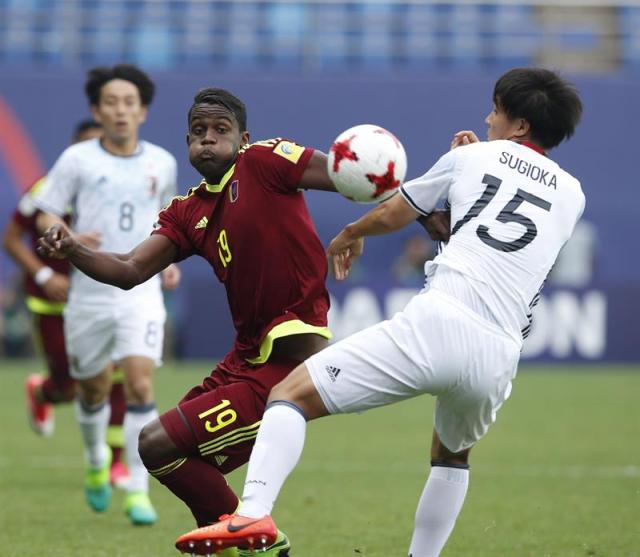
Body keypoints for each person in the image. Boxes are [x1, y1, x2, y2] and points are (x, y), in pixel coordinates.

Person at [172, 67, 585, 556]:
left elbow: (398, 210)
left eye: (496, 110)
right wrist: (464, 185)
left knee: (290, 393)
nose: (487, 117)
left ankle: (251, 514)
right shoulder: (573, 194)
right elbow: (486, 234)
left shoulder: (473, 156)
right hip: (499, 353)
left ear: (518, 125)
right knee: (451, 457)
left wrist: (352, 233)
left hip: (442, 321)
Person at [37, 86, 447, 556]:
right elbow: (130, 270)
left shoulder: (265, 161)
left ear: (243, 137)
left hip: (283, 368)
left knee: (157, 443)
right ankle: (246, 543)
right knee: (163, 451)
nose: (207, 140)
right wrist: (73, 249)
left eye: (219, 130)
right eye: (197, 132)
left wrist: (417, 214)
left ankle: (261, 544)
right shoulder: (186, 211)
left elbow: (350, 172)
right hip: (243, 359)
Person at [33, 64, 180, 526]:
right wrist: (67, 236)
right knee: (93, 389)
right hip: (90, 291)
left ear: (143, 111)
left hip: (141, 288)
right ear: (97, 110)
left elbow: (168, 222)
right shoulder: (78, 159)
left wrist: (171, 259)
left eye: (129, 102)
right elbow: (45, 215)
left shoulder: (163, 162)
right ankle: (97, 461)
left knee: (139, 384)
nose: (121, 110)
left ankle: (137, 488)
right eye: (111, 102)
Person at [2, 119, 130, 487]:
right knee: (71, 386)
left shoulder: (120, 187)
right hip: (54, 303)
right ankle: (44, 390)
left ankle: (116, 463)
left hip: (104, 297)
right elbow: (11, 239)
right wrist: (44, 276)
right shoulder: (47, 190)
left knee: (119, 375)